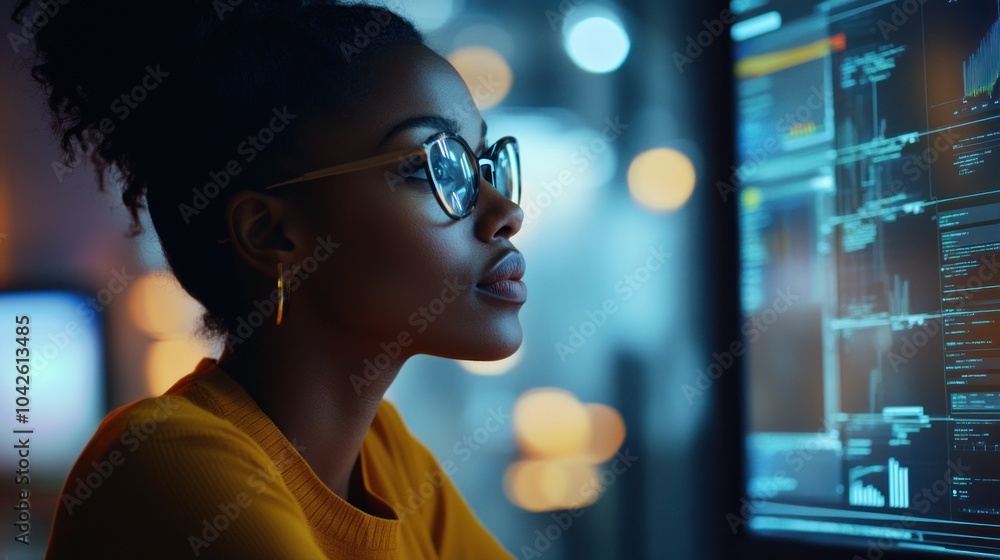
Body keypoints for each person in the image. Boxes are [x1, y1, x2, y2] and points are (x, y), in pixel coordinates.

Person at [13, 0, 525, 557]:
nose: (506, 212)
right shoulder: (166, 461)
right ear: (271, 233)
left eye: (482, 165)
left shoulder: (388, 456)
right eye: (435, 167)